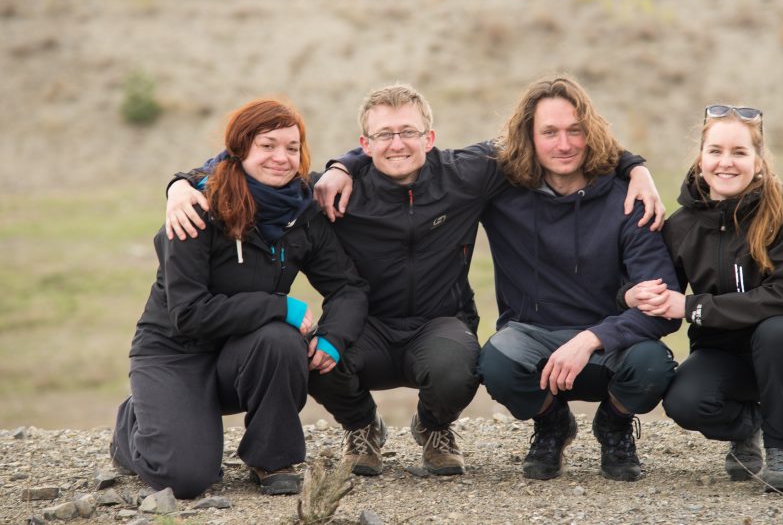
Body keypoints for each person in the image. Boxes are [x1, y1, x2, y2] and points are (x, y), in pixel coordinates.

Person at [166, 83, 664, 478]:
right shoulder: (331, 190)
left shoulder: (468, 174)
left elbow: (557, 141)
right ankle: (362, 427)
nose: (397, 144)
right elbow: (260, 164)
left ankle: (434, 428)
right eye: (383, 135)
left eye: (409, 132)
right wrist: (183, 184)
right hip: (366, 325)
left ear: (430, 137)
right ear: (365, 144)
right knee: (315, 355)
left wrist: (634, 167)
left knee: (461, 363)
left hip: (438, 321)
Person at [112, 99, 369, 499]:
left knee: (283, 341)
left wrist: (334, 336)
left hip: (241, 352)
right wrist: (281, 306)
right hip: (175, 351)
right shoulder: (197, 207)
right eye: (267, 146)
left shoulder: (303, 210)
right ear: (241, 148)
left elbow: (348, 287)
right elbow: (189, 314)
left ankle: (273, 460)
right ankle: (132, 423)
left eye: (292, 147)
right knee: (187, 479)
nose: (281, 158)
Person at [625, 104, 783, 493]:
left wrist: (692, 307)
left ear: (758, 162)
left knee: (776, 330)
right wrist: (630, 294)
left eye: (739, 153)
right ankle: (750, 423)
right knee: (685, 402)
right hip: (727, 356)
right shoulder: (681, 226)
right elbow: (655, 292)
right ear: (701, 159)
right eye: (716, 151)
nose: (727, 163)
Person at [476, 76, 681, 483]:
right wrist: (346, 166)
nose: (564, 144)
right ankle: (552, 423)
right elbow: (420, 160)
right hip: (533, 338)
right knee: (496, 361)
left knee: (653, 364)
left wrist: (590, 339)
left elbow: (666, 308)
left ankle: (615, 424)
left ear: (592, 134)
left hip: (609, 345)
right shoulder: (501, 191)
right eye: (549, 132)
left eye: (576, 131)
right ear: (528, 138)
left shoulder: (629, 200)